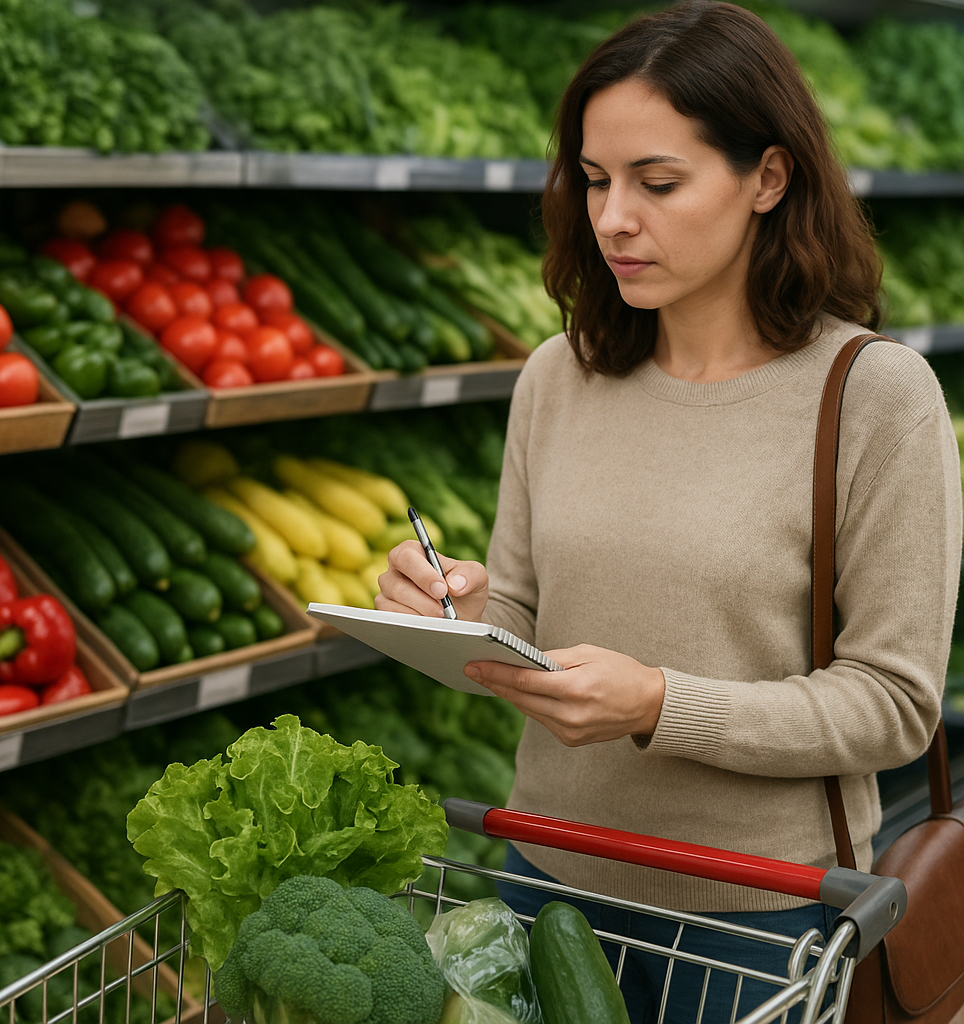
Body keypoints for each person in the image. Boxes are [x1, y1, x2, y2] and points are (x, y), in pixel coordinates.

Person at [377, 1, 962, 1019]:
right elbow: (522, 615)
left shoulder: (874, 396)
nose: (612, 219)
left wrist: (659, 703)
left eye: (656, 183)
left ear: (768, 178)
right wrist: (456, 611)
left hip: (756, 922)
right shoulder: (557, 375)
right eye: (594, 179)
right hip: (543, 880)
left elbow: (894, 703)